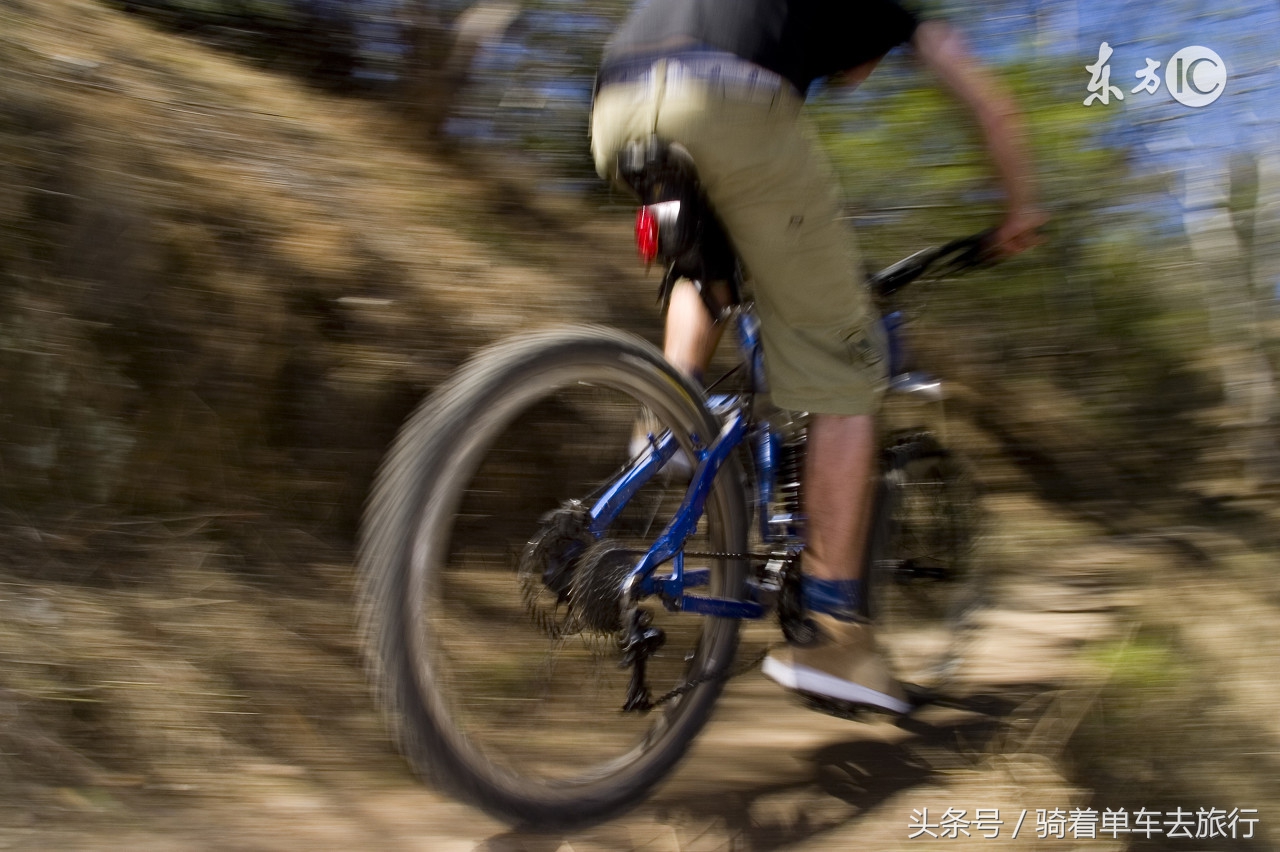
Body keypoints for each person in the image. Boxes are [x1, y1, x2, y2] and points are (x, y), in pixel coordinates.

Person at [590, 0, 1044, 714]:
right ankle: (833, 634)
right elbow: (987, 100)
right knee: (846, 367)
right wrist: (1020, 208)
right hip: (726, 101)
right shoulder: (889, 11)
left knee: (705, 273)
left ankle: (665, 422)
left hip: (617, 101)